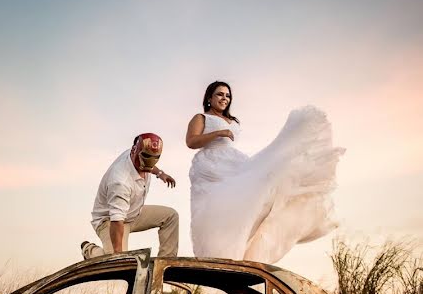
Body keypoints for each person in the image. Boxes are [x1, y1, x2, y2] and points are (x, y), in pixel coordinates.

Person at [186, 80, 343, 264]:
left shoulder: (232, 121)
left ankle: (246, 245)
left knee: (262, 187)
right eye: (220, 94)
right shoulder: (201, 118)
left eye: (228, 96)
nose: (224, 98)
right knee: (219, 206)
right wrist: (217, 134)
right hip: (210, 164)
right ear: (209, 97)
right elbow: (191, 142)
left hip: (232, 160)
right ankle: (220, 246)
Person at [81, 133, 179, 259]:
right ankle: (90, 251)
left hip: (132, 212)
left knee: (171, 216)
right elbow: (117, 220)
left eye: (154, 158)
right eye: (146, 157)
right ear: (134, 151)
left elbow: (149, 160)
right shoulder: (120, 181)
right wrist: (119, 255)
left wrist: (160, 173)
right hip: (109, 220)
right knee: (116, 260)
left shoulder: (138, 152)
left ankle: (166, 260)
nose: (149, 164)